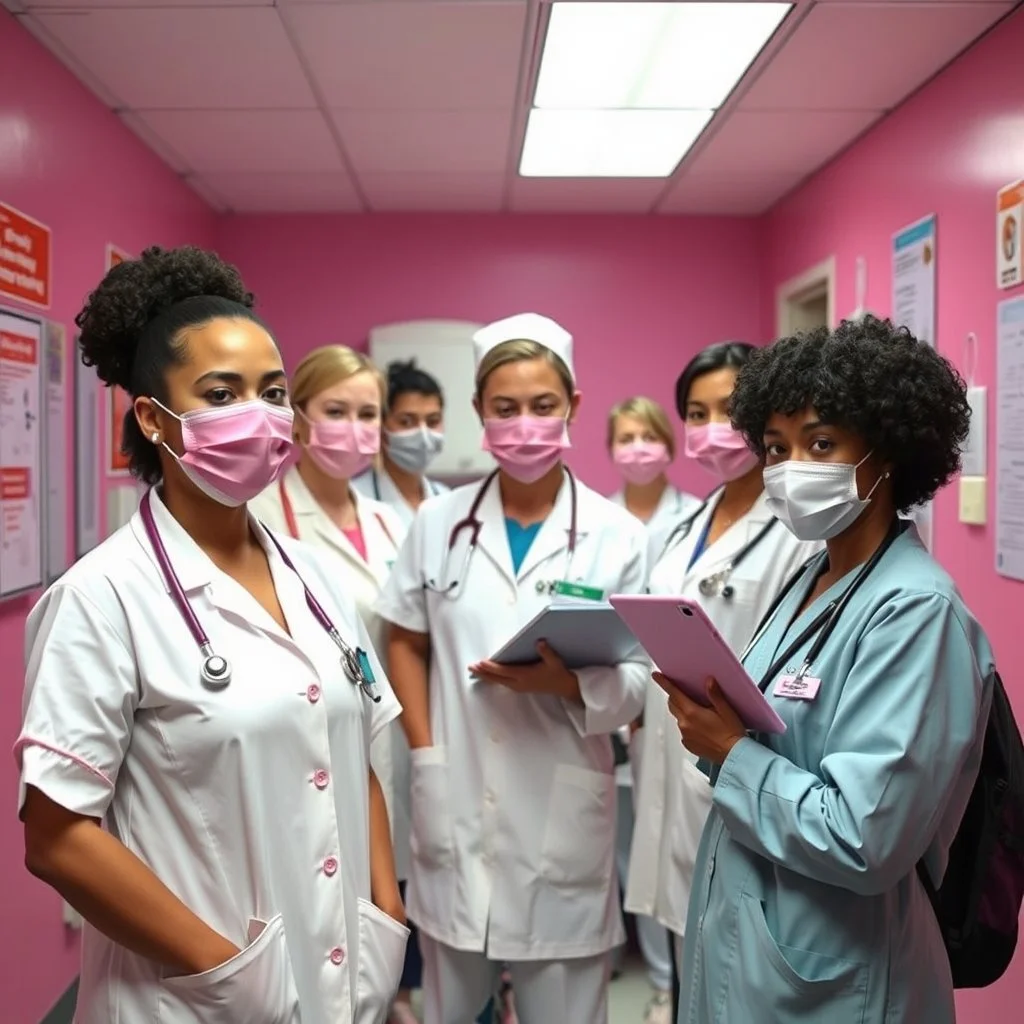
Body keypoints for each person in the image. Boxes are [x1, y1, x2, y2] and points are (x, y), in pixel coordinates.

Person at [16, 246, 408, 1024]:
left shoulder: (311, 572)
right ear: (155, 418)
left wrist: (384, 916)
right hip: (200, 999)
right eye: (221, 394)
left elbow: (354, 745)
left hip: (340, 979)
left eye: (272, 392)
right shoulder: (100, 598)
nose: (258, 416)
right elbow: (57, 838)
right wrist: (228, 970)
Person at [665, 316, 994, 1024]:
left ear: (887, 449)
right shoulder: (816, 577)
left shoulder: (915, 613)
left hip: (838, 970)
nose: (789, 470)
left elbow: (863, 837)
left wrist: (728, 753)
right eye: (777, 448)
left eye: (819, 443)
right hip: (756, 939)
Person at [375, 312, 650, 1024]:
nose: (523, 424)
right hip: (453, 798)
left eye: (542, 406)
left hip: (560, 809)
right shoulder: (438, 523)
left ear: (574, 409)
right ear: (479, 415)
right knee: (451, 1006)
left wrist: (567, 684)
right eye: (505, 409)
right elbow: (403, 637)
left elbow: (640, 682)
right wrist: (426, 756)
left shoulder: (619, 536)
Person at [625, 341, 820, 1021]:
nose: (713, 426)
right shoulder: (683, 524)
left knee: (740, 974)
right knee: (691, 970)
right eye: (697, 411)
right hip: (674, 765)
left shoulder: (802, 530)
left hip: (750, 770)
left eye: (729, 409)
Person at [248, 346, 417, 1024]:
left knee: (376, 903)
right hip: (296, 744)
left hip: (379, 743)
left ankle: (385, 997)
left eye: (368, 414)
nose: (354, 429)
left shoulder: (389, 522)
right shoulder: (257, 515)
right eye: (336, 411)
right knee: (299, 910)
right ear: (298, 420)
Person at [353, 359, 449, 526]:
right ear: (380, 425)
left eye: (433, 421)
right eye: (406, 422)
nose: (423, 434)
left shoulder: (446, 498)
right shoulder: (355, 497)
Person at [608, 395, 701, 566]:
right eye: (626, 439)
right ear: (611, 450)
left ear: (669, 447)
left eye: (650, 437)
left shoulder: (696, 514)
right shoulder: (599, 517)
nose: (638, 448)